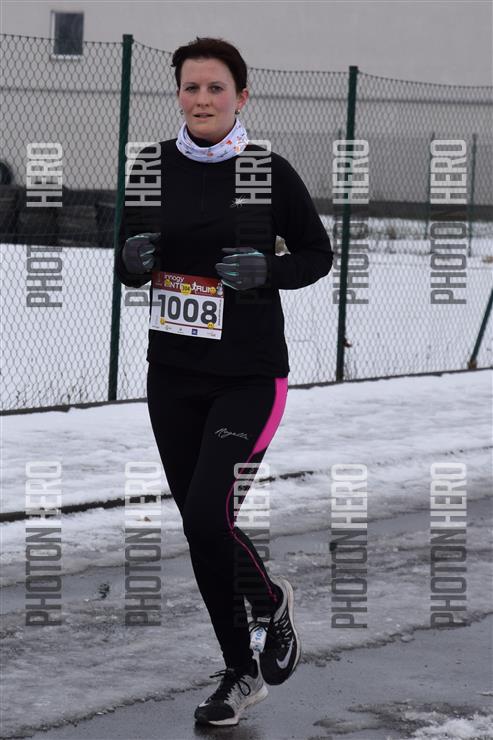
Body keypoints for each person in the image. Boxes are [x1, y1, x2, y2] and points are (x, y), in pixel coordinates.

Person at [115, 36, 333, 727]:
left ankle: (269, 602)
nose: (202, 99)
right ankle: (240, 671)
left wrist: (270, 270)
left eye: (216, 88)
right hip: (172, 373)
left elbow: (317, 254)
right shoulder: (151, 165)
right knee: (201, 527)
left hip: (248, 375)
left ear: (241, 96)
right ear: (177, 94)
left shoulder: (267, 171)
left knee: (210, 514)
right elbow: (128, 256)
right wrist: (132, 260)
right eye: (191, 87)